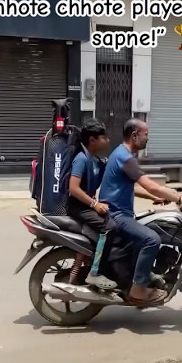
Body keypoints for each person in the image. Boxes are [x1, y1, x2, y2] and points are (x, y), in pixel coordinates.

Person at [100, 118, 182, 304]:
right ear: (134, 135)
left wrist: (156, 198)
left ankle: (139, 277)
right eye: (146, 134)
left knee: (151, 227)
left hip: (118, 212)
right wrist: (180, 199)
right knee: (152, 239)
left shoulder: (121, 154)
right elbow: (152, 185)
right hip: (117, 215)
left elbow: (131, 187)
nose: (148, 139)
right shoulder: (125, 157)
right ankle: (138, 289)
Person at [67, 119, 115, 290]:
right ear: (93, 140)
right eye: (104, 137)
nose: (108, 141)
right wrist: (94, 204)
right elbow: (73, 188)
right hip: (78, 206)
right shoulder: (81, 158)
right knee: (109, 227)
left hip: (85, 205)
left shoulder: (95, 159)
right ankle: (95, 273)